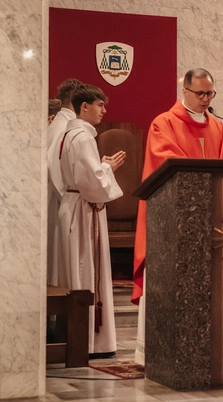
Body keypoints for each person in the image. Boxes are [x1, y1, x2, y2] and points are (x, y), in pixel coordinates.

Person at [133, 68, 223, 364]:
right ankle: (158, 353)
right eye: (200, 93)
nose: (206, 99)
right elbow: (165, 161)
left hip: (212, 219)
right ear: (185, 92)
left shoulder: (217, 127)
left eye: (210, 94)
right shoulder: (163, 124)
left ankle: (203, 350)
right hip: (173, 222)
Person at [54, 84, 126, 357]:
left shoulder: (68, 134)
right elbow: (92, 181)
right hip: (84, 210)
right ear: (84, 106)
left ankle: (76, 338)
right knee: (86, 271)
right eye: (100, 105)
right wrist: (108, 168)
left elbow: (81, 173)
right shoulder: (82, 137)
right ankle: (89, 342)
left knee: (77, 271)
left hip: (73, 205)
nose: (104, 111)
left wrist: (101, 165)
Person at [46, 78, 83, 285]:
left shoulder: (58, 125)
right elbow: (55, 167)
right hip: (61, 200)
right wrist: (71, 197)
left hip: (54, 198)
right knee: (60, 262)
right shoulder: (65, 128)